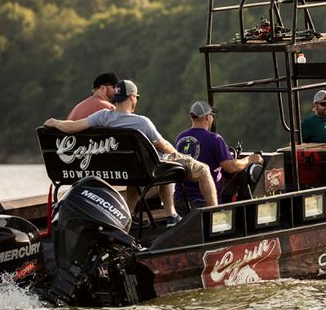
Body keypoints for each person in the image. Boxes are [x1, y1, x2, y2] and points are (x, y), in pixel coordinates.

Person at [44, 80, 218, 227]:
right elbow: (163, 146)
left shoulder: (103, 116)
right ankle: (211, 218)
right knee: (203, 170)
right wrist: (180, 155)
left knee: (141, 168)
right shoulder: (142, 122)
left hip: (125, 169)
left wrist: (54, 122)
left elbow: (72, 126)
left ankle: (130, 216)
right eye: (137, 97)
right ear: (132, 97)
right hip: (147, 170)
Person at [173, 101, 264, 213]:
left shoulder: (180, 138)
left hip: (180, 200)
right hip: (204, 201)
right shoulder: (214, 139)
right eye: (212, 115)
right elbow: (231, 167)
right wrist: (250, 159)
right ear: (208, 117)